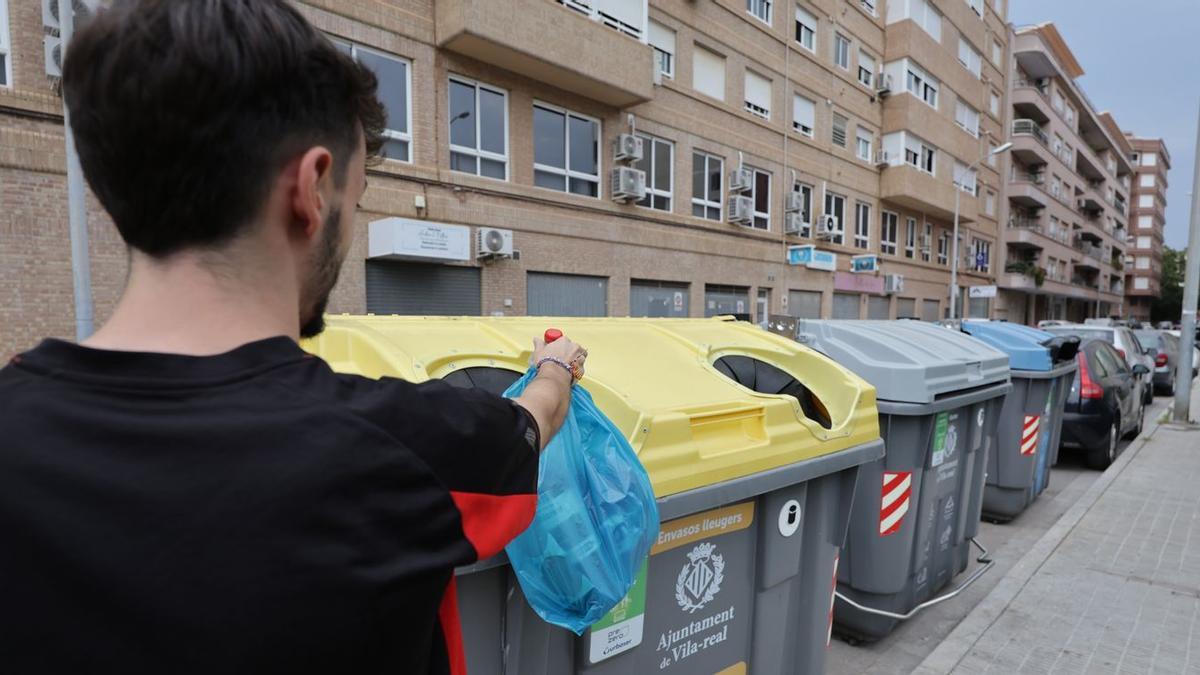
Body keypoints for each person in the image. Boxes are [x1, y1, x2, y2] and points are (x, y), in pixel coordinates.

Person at [0, 1, 587, 673]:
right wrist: (555, 367)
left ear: (112, 192)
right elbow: (529, 423)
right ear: (310, 189)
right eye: (356, 197)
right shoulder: (402, 447)